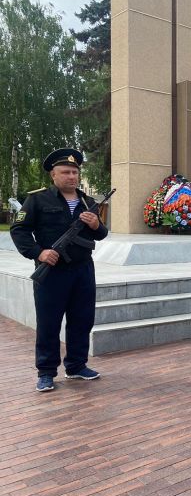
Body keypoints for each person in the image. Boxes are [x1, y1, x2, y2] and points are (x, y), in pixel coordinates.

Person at [10, 148, 108, 392]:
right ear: (53, 175)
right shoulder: (37, 199)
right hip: (51, 272)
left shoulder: (89, 201)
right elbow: (19, 230)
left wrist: (97, 224)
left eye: (75, 172)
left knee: (82, 320)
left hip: (83, 270)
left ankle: (76, 366)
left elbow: (101, 234)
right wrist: (38, 252)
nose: (72, 176)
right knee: (49, 323)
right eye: (66, 172)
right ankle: (46, 372)